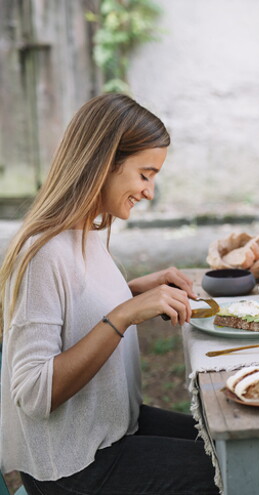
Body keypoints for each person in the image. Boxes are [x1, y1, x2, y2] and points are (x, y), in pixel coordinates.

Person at [0, 94, 218, 494]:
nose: (149, 191)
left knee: (234, 443)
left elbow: (78, 308)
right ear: (105, 163)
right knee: (238, 472)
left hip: (111, 430)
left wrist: (138, 292)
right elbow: (34, 393)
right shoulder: (43, 253)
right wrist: (126, 313)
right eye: (145, 174)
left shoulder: (86, 231)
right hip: (72, 465)